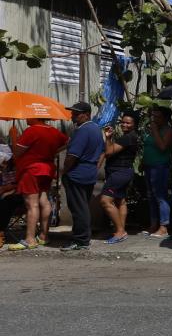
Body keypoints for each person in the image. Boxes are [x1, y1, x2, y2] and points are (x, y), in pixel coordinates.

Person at [8, 118, 68, 250]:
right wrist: (53, 152)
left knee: (31, 204)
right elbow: (67, 142)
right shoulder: (53, 131)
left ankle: (29, 239)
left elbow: (17, 153)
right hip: (47, 168)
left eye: (28, 116)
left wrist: (13, 138)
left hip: (31, 170)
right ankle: (43, 236)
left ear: (36, 117)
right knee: (44, 200)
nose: (26, 118)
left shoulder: (31, 131)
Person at [60, 102, 104, 251]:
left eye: (76, 113)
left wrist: (65, 171)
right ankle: (83, 237)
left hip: (77, 174)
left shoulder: (83, 131)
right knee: (83, 206)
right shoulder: (96, 129)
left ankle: (81, 240)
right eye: (73, 113)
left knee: (78, 208)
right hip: (89, 172)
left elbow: (72, 155)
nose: (73, 116)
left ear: (86, 114)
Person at [99, 112, 139, 244]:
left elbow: (109, 152)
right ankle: (120, 230)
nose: (124, 124)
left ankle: (120, 231)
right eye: (123, 122)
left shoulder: (127, 138)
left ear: (134, 125)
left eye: (128, 123)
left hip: (119, 173)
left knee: (105, 201)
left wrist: (107, 137)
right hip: (124, 172)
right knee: (120, 201)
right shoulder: (130, 137)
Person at [142, 106, 172, 239]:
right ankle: (153, 224)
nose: (154, 119)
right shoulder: (152, 130)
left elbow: (162, 146)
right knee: (151, 196)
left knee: (160, 196)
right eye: (153, 116)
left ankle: (164, 226)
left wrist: (155, 131)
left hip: (160, 167)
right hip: (149, 166)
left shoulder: (169, 130)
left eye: (157, 117)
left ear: (165, 118)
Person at [0, 138, 24, 248]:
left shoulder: (18, 166)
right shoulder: (3, 169)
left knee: (5, 202)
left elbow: (21, 183)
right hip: (6, 192)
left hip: (19, 195)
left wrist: (8, 188)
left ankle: (1, 232)